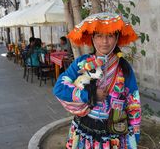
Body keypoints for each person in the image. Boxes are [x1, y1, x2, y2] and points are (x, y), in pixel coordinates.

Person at [53, 12, 141, 148]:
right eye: (99, 36)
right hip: (86, 128)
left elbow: (133, 101)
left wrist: (135, 134)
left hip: (116, 130)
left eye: (110, 36)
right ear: (92, 38)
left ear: (117, 37)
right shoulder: (81, 63)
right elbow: (59, 88)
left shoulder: (124, 67)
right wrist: (91, 94)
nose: (104, 41)